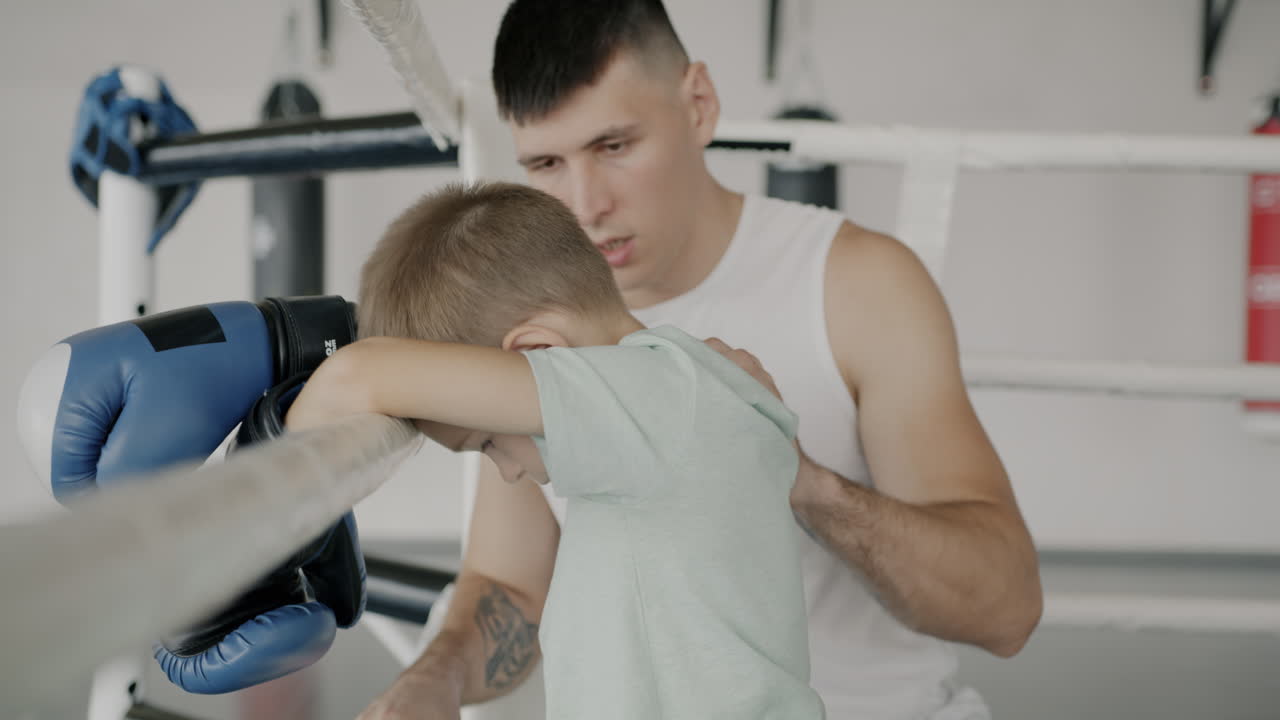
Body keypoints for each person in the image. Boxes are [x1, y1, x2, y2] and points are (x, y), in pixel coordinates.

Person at [360, 1, 1043, 718]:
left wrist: (796, 480)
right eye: (547, 163)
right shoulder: (535, 325)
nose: (586, 204)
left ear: (699, 105)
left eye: (615, 146)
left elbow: (1005, 609)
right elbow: (512, 588)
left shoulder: (854, 284)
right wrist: (429, 683)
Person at [287, 181, 826, 719]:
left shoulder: (662, 397)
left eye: (490, 442)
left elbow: (359, 374)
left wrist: (281, 502)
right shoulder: (672, 407)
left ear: (540, 355)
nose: (509, 472)